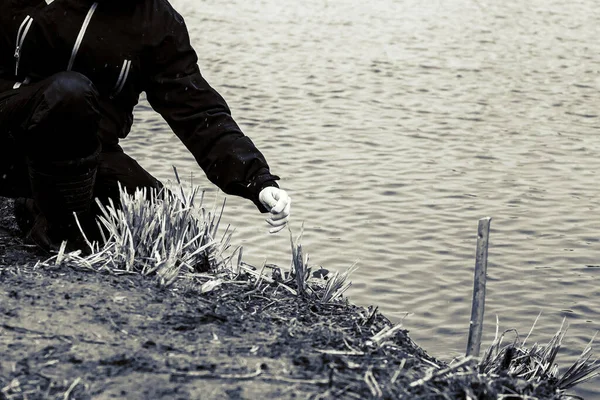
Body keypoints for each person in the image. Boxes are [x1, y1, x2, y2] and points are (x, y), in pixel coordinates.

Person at [0, 0, 291, 252]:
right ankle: (61, 234)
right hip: (10, 126)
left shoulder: (158, 23)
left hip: (83, 158)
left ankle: (38, 207)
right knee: (69, 94)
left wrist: (257, 181)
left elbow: (199, 112)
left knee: (178, 229)